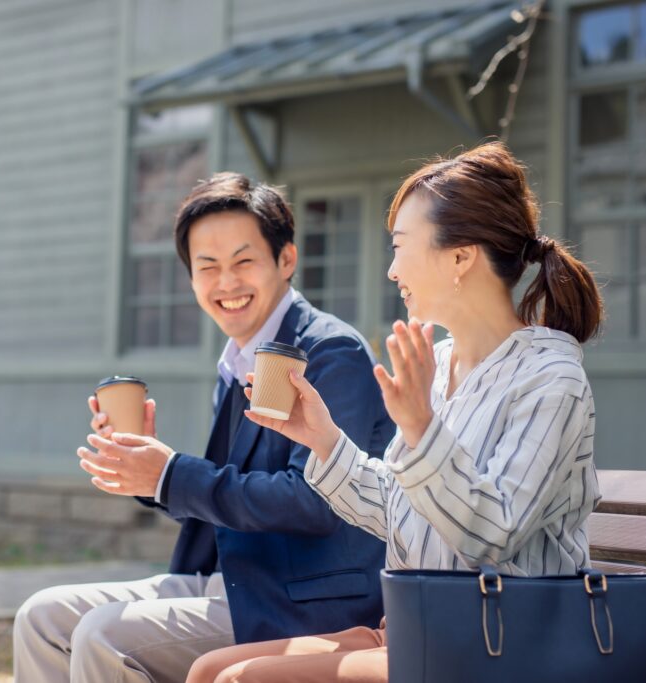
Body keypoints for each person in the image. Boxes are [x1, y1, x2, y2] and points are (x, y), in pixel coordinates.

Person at [187, 142, 605, 683]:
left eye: (401, 246)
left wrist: (421, 429)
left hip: (501, 645)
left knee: (239, 680)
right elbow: (399, 511)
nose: (390, 270)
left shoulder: (552, 378)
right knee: (209, 669)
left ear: (460, 258)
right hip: (421, 627)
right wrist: (324, 440)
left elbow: (493, 530)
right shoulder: (444, 364)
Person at [13, 172, 393, 683]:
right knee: (41, 616)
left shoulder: (327, 351)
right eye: (207, 267)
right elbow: (228, 497)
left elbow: (316, 500)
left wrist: (171, 474)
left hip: (300, 599)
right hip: (230, 580)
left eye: (243, 261)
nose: (226, 283)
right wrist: (146, 473)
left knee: (102, 634)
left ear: (286, 260)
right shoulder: (237, 361)